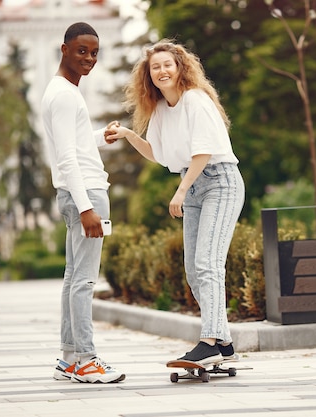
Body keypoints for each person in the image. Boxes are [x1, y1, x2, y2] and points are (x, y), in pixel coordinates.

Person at [106, 39, 245, 365]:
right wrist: (128, 135)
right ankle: (224, 342)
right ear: (149, 75)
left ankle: (208, 341)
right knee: (194, 273)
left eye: (167, 64)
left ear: (180, 67)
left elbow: (204, 151)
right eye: (155, 67)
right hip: (194, 185)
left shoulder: (195, 100)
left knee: (208, 265)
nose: (162, 71)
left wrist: (181, 191)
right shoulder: (159, 111)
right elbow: (158, 153)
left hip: (219, 183)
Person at [41, 22, 124, 383]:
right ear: (64, 50)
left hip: (79, 192)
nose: (89, 58)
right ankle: (87, 360)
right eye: (81, 51)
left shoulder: (63, 92)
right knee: (85, 281)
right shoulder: (64, 95)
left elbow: (73, 145)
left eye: (94, 52)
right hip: (85, 194)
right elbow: (66, 159)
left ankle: (69, 359)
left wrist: (100, 138)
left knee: (73, 277)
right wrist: (87, 208)